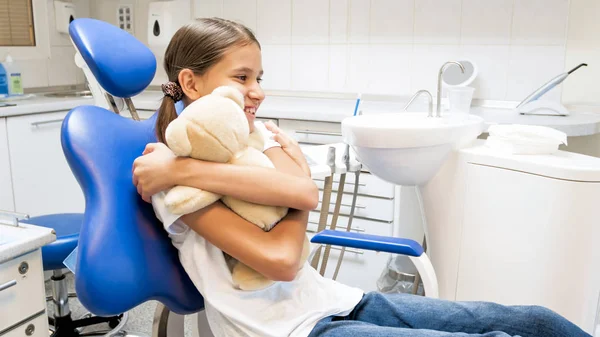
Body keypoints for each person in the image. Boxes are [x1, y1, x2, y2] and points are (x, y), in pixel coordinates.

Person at [131, 18, 592, 337]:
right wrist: (291, 192)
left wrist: (290, 187)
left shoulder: (244, 143)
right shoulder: (167, 178)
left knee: (533, 320)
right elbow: (285, 257)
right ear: (191, 84)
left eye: (260, 76)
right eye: (243, 76)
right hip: (293, 329)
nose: (258, 91)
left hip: (335, 300)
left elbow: (301, 191)